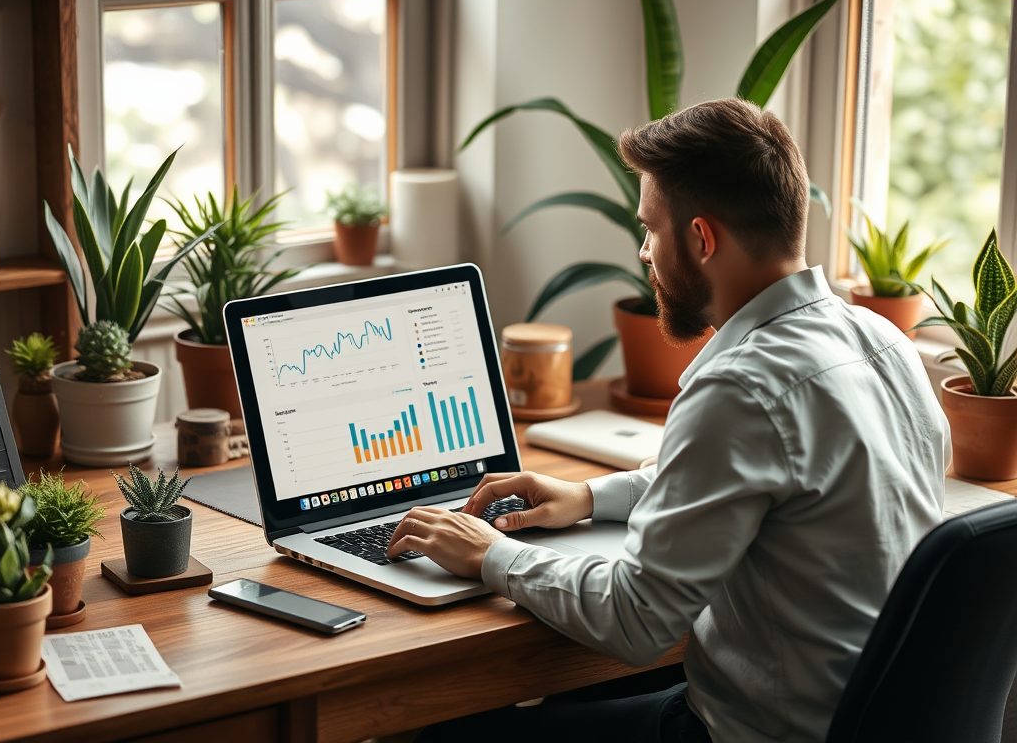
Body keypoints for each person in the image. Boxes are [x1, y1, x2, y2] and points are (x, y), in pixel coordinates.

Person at [386, 98, 951, 743]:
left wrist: (493, 555)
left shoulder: (739, 387)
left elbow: (637, 619)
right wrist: (589, 496)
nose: (644, 252)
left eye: (651, 229)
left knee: (444, 728)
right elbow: (773, 486)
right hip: (872, 716)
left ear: (702, 238)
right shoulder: (882, 342)